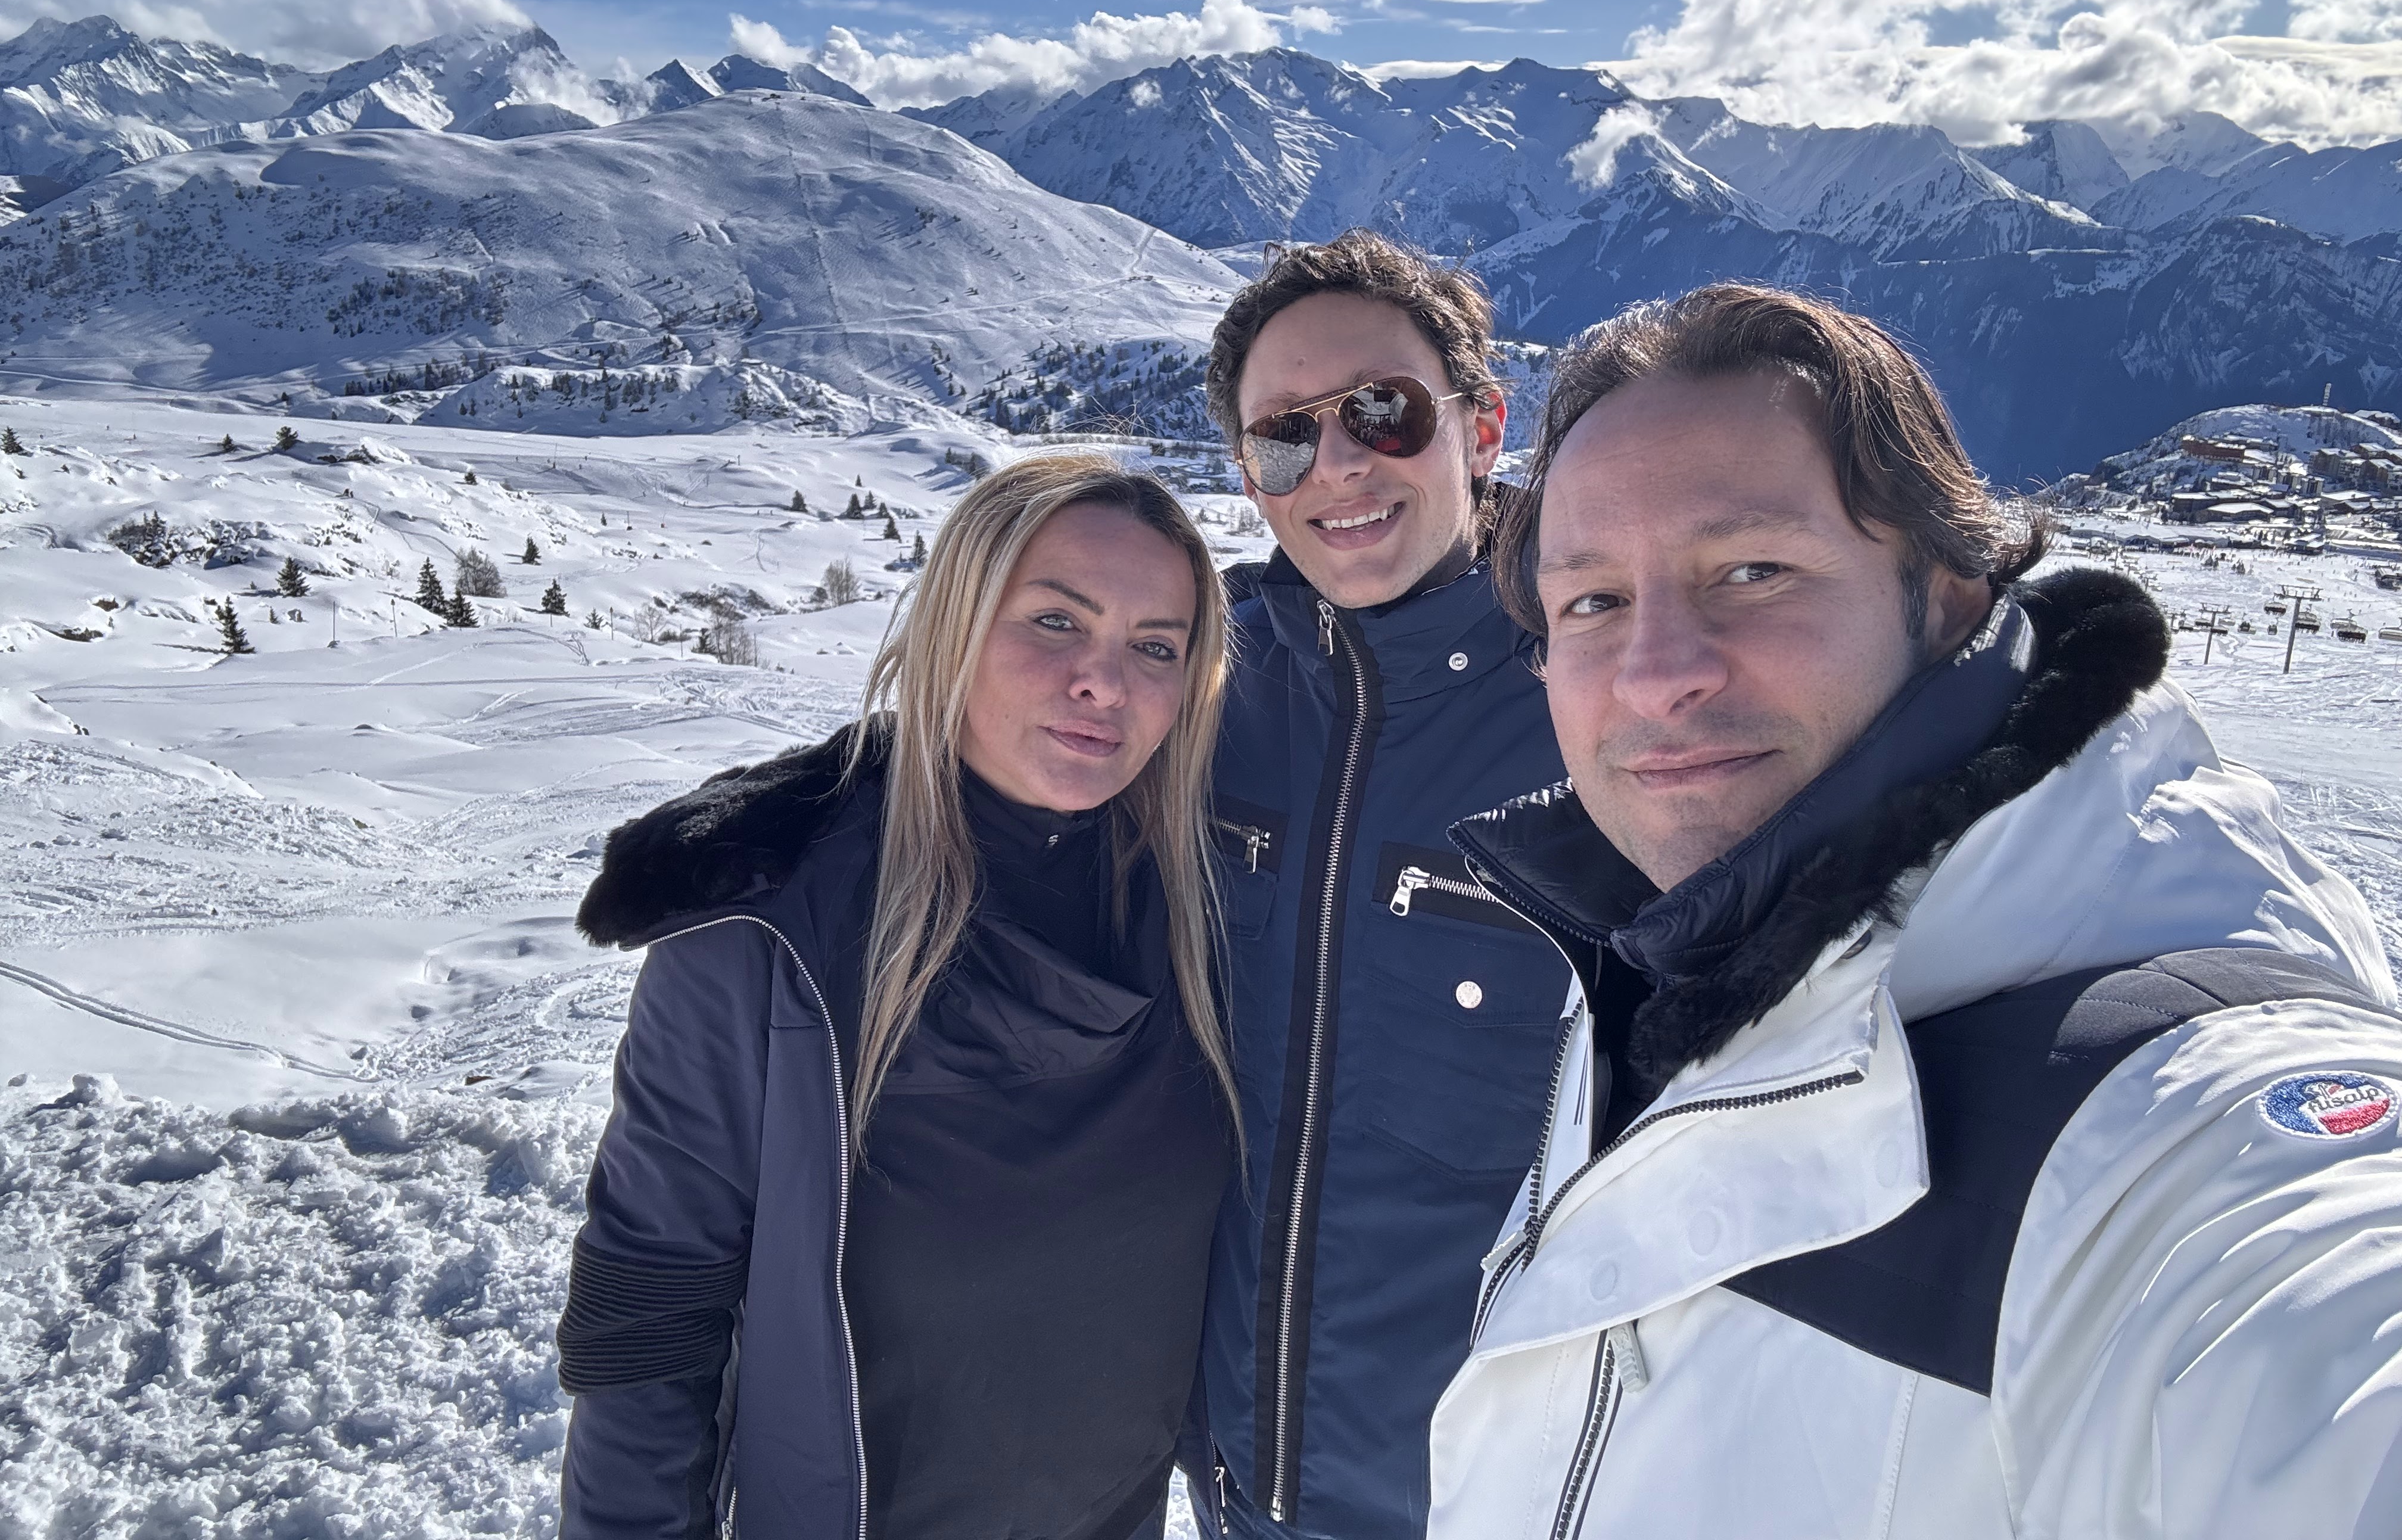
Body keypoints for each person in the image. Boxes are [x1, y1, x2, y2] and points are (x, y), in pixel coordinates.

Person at [1427, 284, 2402, 1538]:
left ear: (1948, 599)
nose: (1659, 675)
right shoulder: (1668, 947)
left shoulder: (2175, 1127)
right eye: (1595, 602)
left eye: (1755, 571)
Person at [556, 455, 1238, 1540]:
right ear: (952, 628)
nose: (1105, 682)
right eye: (1055, 622)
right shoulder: (766, 926)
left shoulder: (1202, 903)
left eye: (1156, 646)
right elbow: (651, 1302)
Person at [1188, 231, 1572, 1539]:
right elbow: (1002, 761)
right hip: (1238, 1485)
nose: (1338, 465)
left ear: (1483, 426)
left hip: (1501, 1504)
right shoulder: (1212, 686)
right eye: (1284, 438)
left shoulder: (1607, 702)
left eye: (1382, 411)